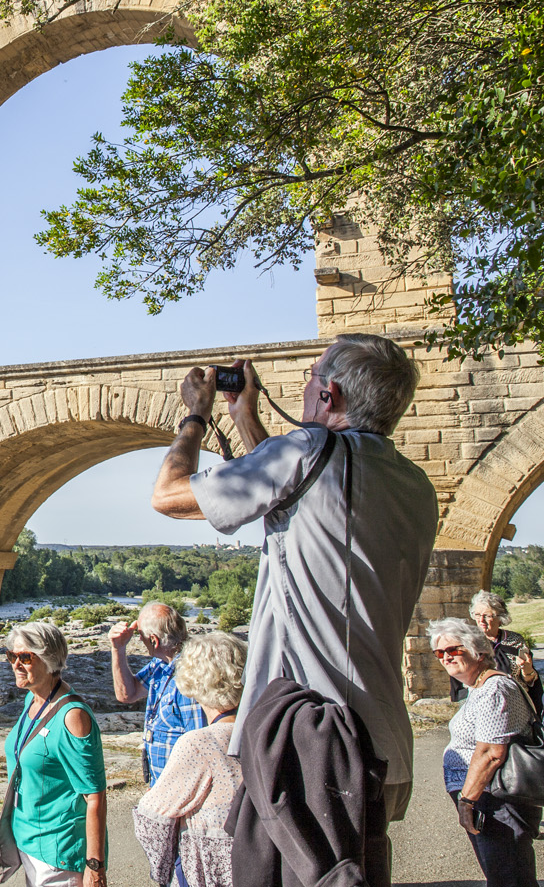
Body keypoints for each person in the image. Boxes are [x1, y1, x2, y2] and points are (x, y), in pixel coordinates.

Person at [151, 332, 438, 827]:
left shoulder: (309, 448)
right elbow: (292, 493)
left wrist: (195, 417)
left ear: (331, 396)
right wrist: (245, 415)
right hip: (383, 740)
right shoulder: (414, 483)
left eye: (310, 379)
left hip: (312, 745)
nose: (305, 389)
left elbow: (169, 495)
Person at [433, 617, 542, 887]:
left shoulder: (494, 689)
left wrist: (467, 801)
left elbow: (491, 753)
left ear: (478, 650)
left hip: (496, 799)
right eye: (439, 652)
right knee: (504, 875)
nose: (445, 657)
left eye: (453, 650)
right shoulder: (480, 688)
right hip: (489, 798)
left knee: (509, 877)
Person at [132, 632, 247, 887]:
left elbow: (151, 819)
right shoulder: (266, 730)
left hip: (212, 872)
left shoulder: (199, 744)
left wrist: (165, 872)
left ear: (194, 680)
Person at [2, 621, 107, 887]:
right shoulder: (33, 700)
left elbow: (95, 796)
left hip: (59, 850)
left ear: (49, 660)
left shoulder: (73, 716)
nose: (15, 664)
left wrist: (94, 866)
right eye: (11, 656)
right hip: (29, 842)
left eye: (25, 657)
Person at [107, 602, 205, 786]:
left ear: (154, 640)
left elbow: (200, 747)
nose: (139, 640)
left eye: (140, 635)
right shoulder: (159, 666)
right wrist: (117, 649)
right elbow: (127, 694)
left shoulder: (189, 676)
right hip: (163, 789)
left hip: (181, 794)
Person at [456, 591, 542, 712]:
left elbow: (530, 681)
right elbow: (459, 679)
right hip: (479, 706)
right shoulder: (468, 642)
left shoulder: (515, 641)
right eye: (477, 614)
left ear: (500, 618)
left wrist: (527, 670)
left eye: (487, 615)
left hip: (515, 706)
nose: (481, 620)